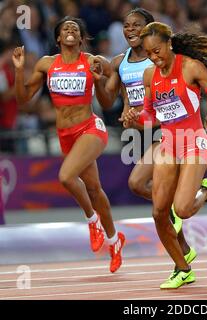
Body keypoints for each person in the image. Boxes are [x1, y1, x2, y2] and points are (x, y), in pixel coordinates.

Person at [124, 22, 207, 289]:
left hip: (194, 142)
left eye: (158, 51)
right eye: (149, 53)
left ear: (169, 43)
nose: (154, 57)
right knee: (159, 213)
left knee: (182, 209)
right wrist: (135, 118)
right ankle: (183, 269)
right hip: (168, 144)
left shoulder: (191, 67)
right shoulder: (150, 75)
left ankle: (206, 191)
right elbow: (151, 117)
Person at [94, 8, 207, 276]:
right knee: (155, 199)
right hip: (142, 131)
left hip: (168, 130)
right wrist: (97, 82)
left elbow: (201, 79)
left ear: (151, 30)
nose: (130, 30)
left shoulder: (161, 59)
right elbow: (107, 100)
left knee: (139, 185)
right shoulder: (120, 62)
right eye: (126, 25)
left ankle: (185, 244)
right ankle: (184, 249)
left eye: (137, 25)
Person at [12, 16, 125, 273]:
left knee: (66, 177)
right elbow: (23, 99)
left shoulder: (93, 61)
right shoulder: (46, 64)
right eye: (66, 28)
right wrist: (19, 70)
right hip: (66, 134)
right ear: (58, 39)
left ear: (82, 38)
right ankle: (114, 240)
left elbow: (113, 92)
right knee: (94, 190)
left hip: (90, 128)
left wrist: (104, 85)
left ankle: (92, 220)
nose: (71, 29)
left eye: (75, 27)